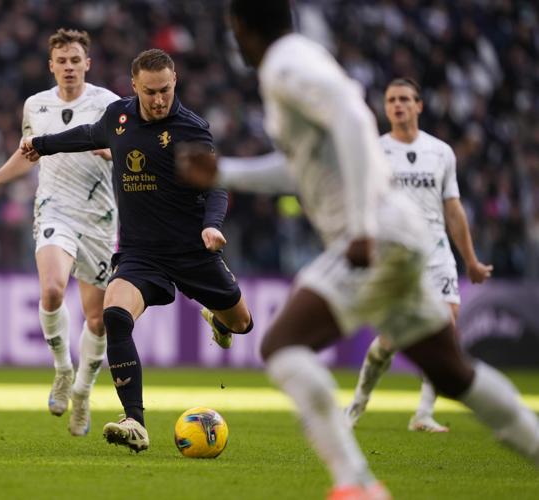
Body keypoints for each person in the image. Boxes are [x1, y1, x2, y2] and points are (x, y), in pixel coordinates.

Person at [177, 1, 539, 498]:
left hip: (379, 234)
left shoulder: (285, 65)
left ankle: (356, 483)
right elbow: (302, 166)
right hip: (401, 234)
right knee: (455, 375)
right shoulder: (304, 58)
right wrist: (227, 174)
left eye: (233, 31)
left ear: (241, 27)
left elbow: (352, 116)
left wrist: (363, 227)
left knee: (281, 347)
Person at [19, 48, 253, 453]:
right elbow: (88, 135)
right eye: (150, 92)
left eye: (165, 90)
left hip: (192, 250)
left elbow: (215, 185)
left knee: (241, 324)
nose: (159, 99)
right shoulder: (119, 118)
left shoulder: (192, 129)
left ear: (175, 81)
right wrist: (42, 143)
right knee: (114, 314)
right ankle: (135, 421)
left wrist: (213, 225)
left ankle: (219, 320)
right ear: (134, 87)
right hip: (141, 252)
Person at [0, 28, 120, 437]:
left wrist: (113, 151)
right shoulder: (35, 105)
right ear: (51, 65)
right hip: (55, 209)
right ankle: (61, 369)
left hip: (100, 219)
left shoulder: (109, 104)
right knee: (52, 290)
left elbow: (132, 152)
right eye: (62, 61)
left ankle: (84, 393)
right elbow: (28, 153)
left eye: (76, 60)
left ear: (87, 64)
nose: (69, 67)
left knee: (98, 318)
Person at [344, 78, 493, 433]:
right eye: (391, 100)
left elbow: (453, 209)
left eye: (405, 99)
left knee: (445, 327)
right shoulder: (376, 151)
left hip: (436, 251)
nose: (397, 105)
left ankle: (423, 413)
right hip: (395, 253)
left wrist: (470, 260)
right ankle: (357, 403)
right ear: (386, 108)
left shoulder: (441, 152)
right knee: (391, 341)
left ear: (419, 105)